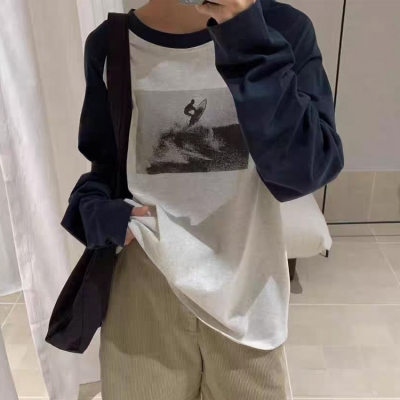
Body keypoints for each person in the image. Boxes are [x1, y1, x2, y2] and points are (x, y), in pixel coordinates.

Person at [64, 0, 344, 399]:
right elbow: (104, 170)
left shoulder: (282, 29)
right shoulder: (111, 43)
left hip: (247, 294)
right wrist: (105, 217)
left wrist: (246, 35)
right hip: (145, 286)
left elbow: (305, 171)